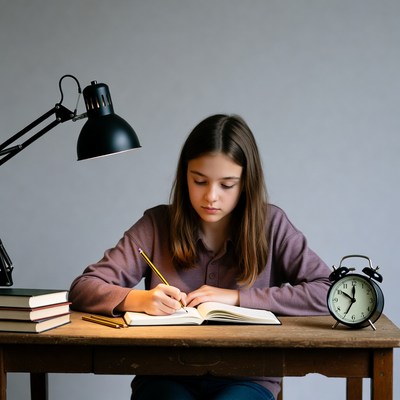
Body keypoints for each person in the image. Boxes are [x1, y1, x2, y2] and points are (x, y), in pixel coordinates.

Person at [69, 114, 331, 400]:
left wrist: (236, 299)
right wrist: (139, 300)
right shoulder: (156, 225)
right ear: (185, 176)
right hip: (163, 373)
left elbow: (328, 291)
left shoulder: (272, 225)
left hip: (249, 376)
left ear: (246, 183)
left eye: (227, 185)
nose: (211, 197)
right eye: (200, 181)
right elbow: (83, 287)